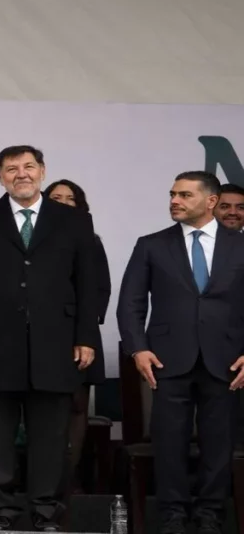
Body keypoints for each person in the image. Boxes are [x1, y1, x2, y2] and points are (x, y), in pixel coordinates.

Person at [0, 146, 99, 531]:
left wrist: (86, 337)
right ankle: (0, 513)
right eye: (11, 168)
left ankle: (46, 512)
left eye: (29, 167)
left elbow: (87, 284)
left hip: (56, 343)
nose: (21, 174)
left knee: (50, 439)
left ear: (43, 172)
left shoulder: (74, 221)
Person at [117, 171, 244, 534]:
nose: (175, 200)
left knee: (219, 444)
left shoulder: (240, 245)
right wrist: (138, 349)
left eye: (185, 195)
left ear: (211, 201)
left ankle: (210, 516)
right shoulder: (151, 244)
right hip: (167, 359)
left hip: (227, 360)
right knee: (168, 442)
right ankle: (172, 515)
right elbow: (130, 303)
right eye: (173, 194)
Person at [43, 179, 111, 492]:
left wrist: (79, 330)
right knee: (40, 408)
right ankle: (37, 478)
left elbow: (100, 289)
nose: (62, 202)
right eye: (55, 197)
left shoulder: (90, 240)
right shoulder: (27, 239)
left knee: (77, 407)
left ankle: (68, 478)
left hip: (78, 336)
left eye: (70, 199)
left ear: (79, 206)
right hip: (38, 336)